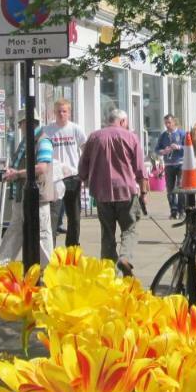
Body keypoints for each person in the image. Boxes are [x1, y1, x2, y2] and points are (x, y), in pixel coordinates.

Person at [78, 109, 147, 276]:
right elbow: (140, 169)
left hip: (102, 193)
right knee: (129, 229)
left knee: (107, 233)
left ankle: (110, 272)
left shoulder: (94, 137)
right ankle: (125, 258)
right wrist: (144, 192)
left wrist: (85, 179)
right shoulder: (130, 137)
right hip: (126, 191)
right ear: (122, 122)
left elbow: (82, 166)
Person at [0, 111, 57, 266]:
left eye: (20, 124)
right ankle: (2, 264)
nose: (20, 128)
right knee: (15, 229)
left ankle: (48, 269)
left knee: (42, 232)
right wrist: (11, 171)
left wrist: (17, 174)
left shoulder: (43, 141)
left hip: (38, 195)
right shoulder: (27, 141)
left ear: (27, 123)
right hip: (21, 194)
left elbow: (41, 168)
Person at [44, 98, 87, 246]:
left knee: (74, 215)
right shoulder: (48, 130)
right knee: (54, 214)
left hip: (73, 176)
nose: (61, 114)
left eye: (64, 111)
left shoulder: (76, 129)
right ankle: (51, 247)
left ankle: (72, 246)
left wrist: (84, 169)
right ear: (54, 113)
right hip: (55, 176)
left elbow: (85, 149)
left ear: (69, 113)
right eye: (59, 111)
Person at [155, 114, 187, 219]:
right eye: (165, 123)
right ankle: (173, 211)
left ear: (174, 122)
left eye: (169, 122)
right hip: (169, 165)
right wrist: (163, 151)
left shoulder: (182, 133)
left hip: (180, 164)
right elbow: (157, 149)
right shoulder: (163, 135)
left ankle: (181, 210)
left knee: (180, 187)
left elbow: (189, 147)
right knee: (170, 189)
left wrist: (179, 147)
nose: (167, 125)